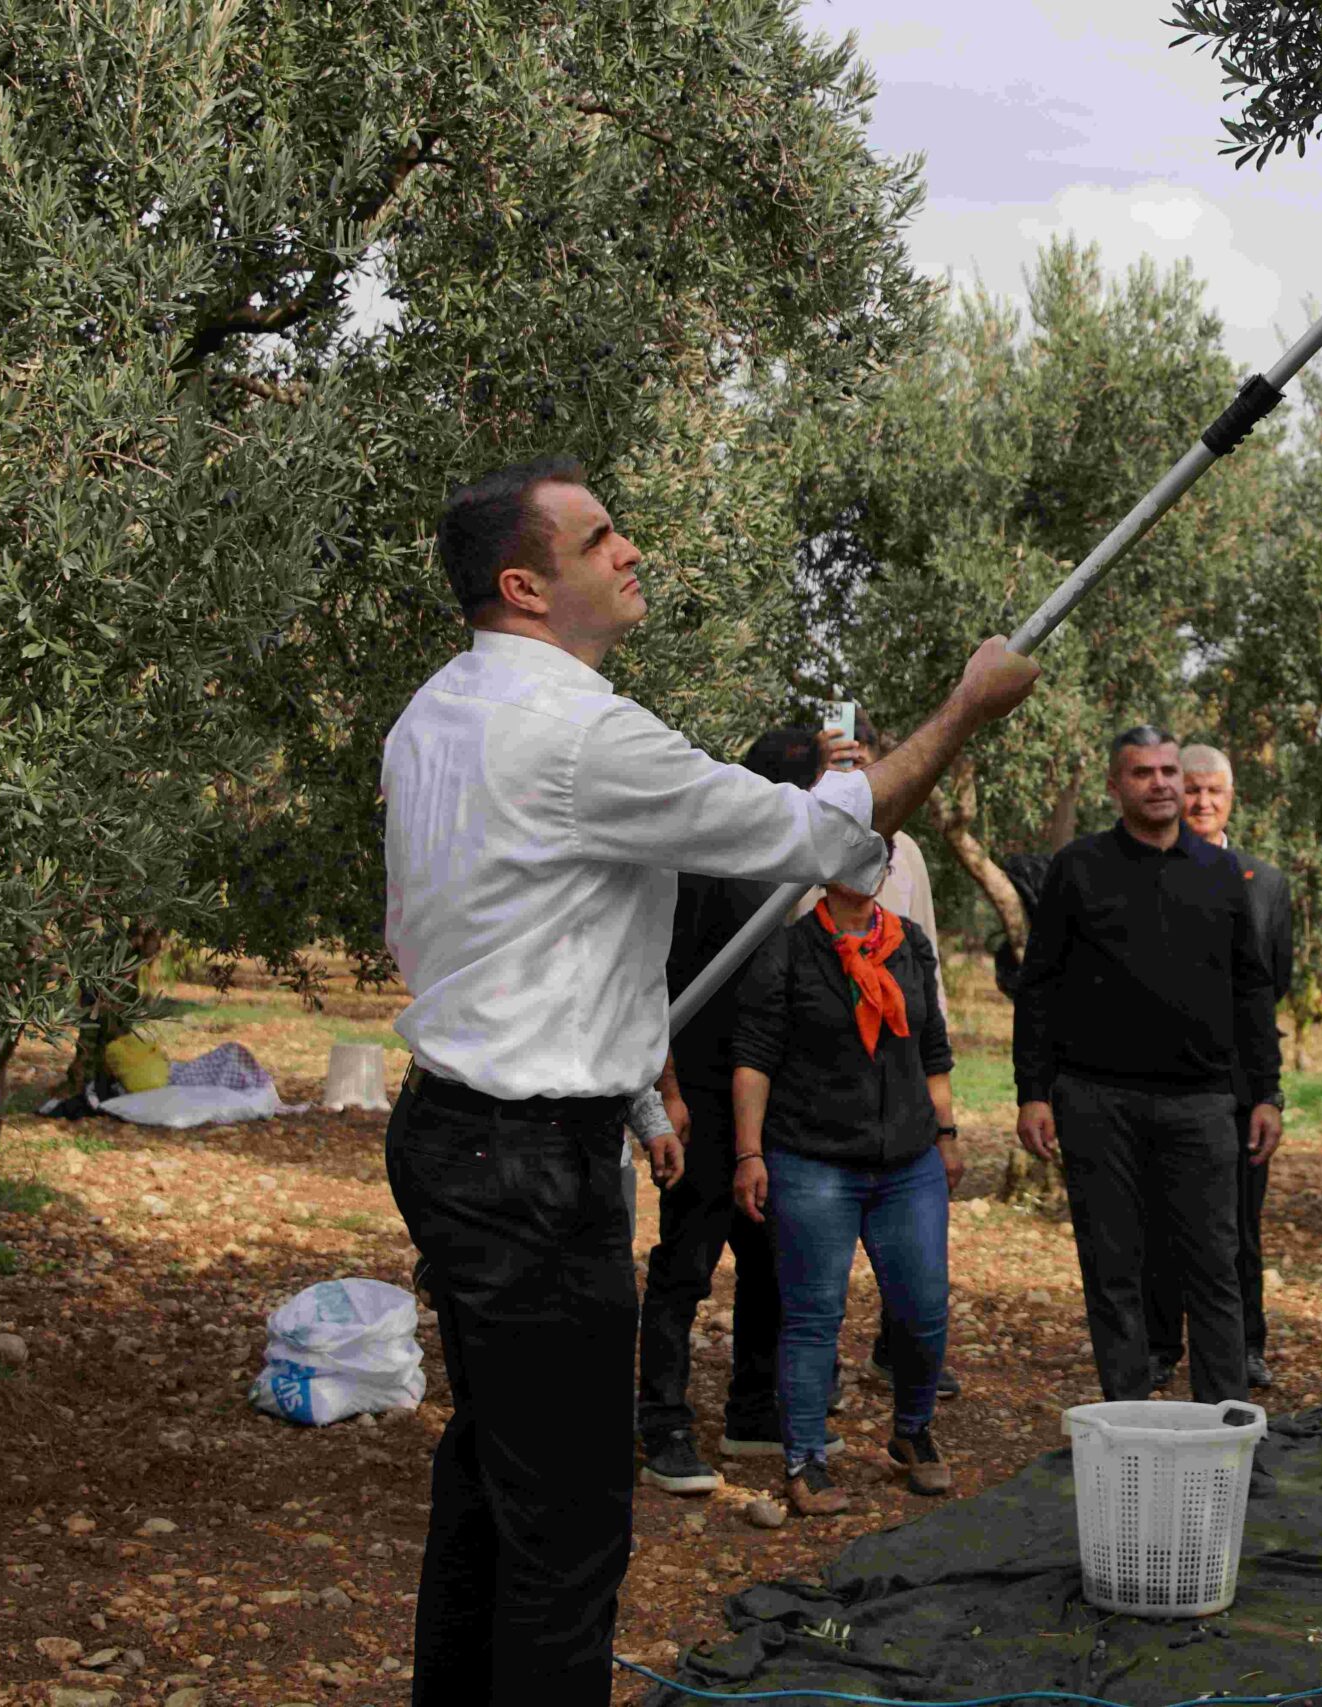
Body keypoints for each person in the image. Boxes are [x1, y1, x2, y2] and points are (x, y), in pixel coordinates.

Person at [381, 454, 1036, 1706]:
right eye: (600, 538)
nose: (629, 551)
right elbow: (829, 837)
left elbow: (492, 936)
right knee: (568, 1529)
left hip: (456, 1137)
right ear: (525, 585)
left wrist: (633, 1086)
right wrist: (963, 713)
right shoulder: (577, 731)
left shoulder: (435, 711)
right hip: (524, 1170)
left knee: (493, 1473)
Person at [1014, 727, 1284, 1404]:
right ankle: (1129, 1426)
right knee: (1113, 1271)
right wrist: (1032, 1091)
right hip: (1097, 1102)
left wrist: (1266, 1092)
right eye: (1145, 773)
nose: (1163, 783)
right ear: (1116, 785)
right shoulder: (1077, 868)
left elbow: (1252, 989)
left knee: (1215, 1271)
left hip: (1202, 1105)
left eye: (1170, 770)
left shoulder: (1224, 875)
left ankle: (1224, 1429)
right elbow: (1039, 986)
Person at [636, 726, 843, 1498]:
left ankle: (754, 1409)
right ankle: (662, 1424)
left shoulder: (793, 865)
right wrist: (669, 1092)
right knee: (687, 1262)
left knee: (768, 1258)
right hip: (704, 1091)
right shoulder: (707, 864)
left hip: (771, 1101)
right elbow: (659, 980)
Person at [731, 863, 959, 1514]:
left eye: (876, 853)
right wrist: (750, 1151)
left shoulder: (910, 943)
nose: (866, 865)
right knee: (811, 1316)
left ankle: (912, 1431)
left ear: (888, 865)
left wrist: (947, 1134)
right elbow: (753, 1059)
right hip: (812, 1159)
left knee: (923, 1307)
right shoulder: (789, 949)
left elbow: (932, 1050)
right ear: (826, 866)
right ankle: (805, 1461)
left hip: (908, 1160)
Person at [815, 713, 965, 1400]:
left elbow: (925, 962)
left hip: (899, 1064)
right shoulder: (807, 841)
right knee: (826, 1233)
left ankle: (899, 1353)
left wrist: (941, 1098)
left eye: (874, 767)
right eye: (852, 769)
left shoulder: (909, 857)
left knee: (910, 1228)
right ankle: (818, 1372)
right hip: (825, 1067)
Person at [1143, 743, 1294, 1393]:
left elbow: (1274, 981)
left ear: (1232, 798)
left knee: (1240, 1227)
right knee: (1160, 1225)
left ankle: (1246, 1346)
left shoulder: (1268, 883)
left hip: (1237, 1087)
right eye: (1194, 789)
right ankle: (1157, 1346)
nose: (1202, 802)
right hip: (1156, 1081)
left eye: (1216, 792)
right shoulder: (1147, 872)